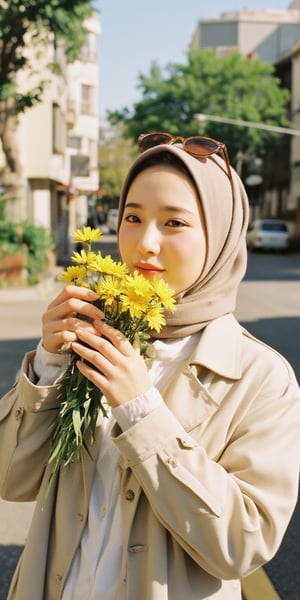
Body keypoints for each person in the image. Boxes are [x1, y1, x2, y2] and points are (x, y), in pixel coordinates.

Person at [1, 132, 300, 600]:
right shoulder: (92, 335)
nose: (145, 243)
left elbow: (244, 544)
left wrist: (142, 412)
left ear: (220, 234)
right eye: (133, 217)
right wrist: (47, 364)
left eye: (174, 222)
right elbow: (10, 479)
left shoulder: (261, 377)